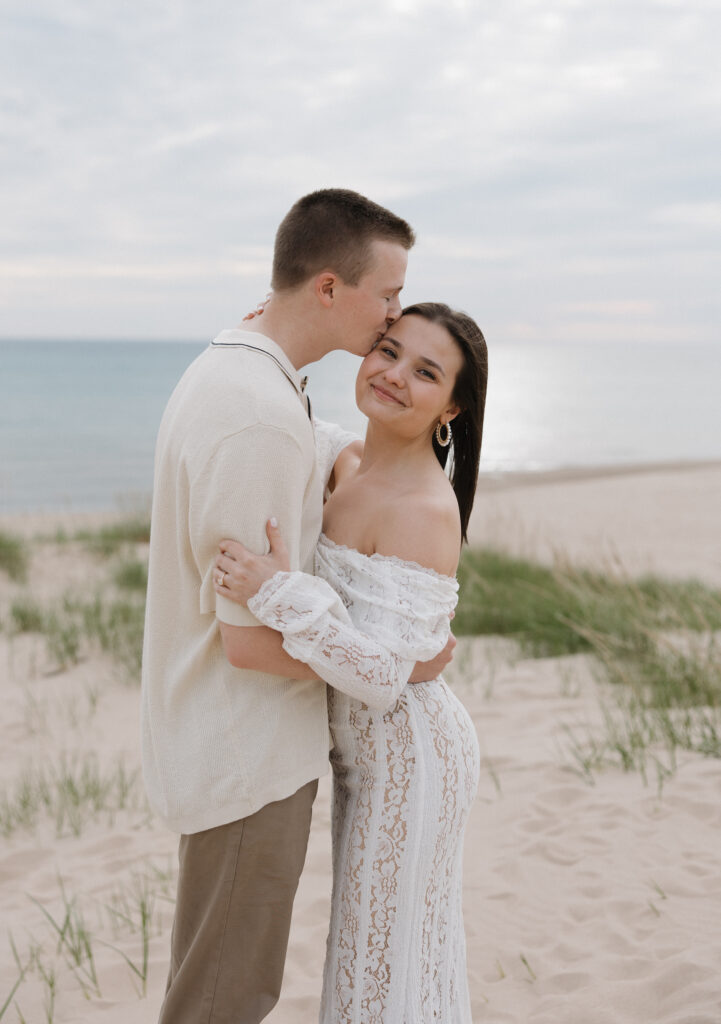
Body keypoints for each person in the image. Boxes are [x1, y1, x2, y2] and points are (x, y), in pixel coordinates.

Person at [140, 189, 457, 1024]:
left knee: (216, 989)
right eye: (387, 294)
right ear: (327, 288)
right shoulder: (259, 417)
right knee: (224, 1001)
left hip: (228, 744)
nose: (391, 314)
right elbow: (248, 645)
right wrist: (403, 665)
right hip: (247, 756)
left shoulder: (240, 373)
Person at [213, 302, 488, 1022]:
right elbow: (312, 429)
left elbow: (380, 677)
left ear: (451, 409)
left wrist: (277, 592)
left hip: (410, 758)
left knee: (379, 965)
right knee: (380, 955)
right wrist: (269, 326)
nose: (394, 375)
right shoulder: (354, 463)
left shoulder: (425, 507)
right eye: (388, 351)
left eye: (424, 372)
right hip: (369, 758)